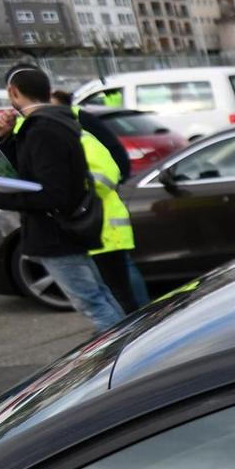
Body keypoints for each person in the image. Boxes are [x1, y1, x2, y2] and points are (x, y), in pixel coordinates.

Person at [0, 66, 123, 330]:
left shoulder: (43, 129)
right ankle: (126, 348)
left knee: (93, 303)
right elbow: (34, 172)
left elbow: (52, 193)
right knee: (100, 296)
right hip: (67, 228)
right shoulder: (55, 122)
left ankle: (123, 357)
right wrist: (5, 138)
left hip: (56, 233)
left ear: (13, 92)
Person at [48, 91, 145, 311]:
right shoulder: (71, 130)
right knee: (114, 287)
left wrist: (74, 187)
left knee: (119, 288)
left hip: (101, 222)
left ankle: (133, 328)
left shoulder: (80, 131)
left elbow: (111, 170)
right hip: (96, 221)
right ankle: (129, 325)